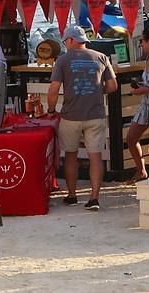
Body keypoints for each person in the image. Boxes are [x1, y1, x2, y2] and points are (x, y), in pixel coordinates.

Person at [47, 26, 118, 211]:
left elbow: (53, 90)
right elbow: (112, 85)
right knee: (95, 156)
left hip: (71, 116)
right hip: (95, 115)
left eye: (65, 41)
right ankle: (94, 198)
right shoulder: (101, 57)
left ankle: (72, 195)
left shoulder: (63, 60)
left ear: (71, 40)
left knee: (71, 155)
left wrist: (51, 109)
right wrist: (97, 91)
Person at [125, 24, 149, 184]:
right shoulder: (148, 58)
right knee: (131, 138)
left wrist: (145, 90)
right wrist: (141, 87)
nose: (141, 44)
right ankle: (141, 170)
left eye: (142, 41)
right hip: (146, 103)